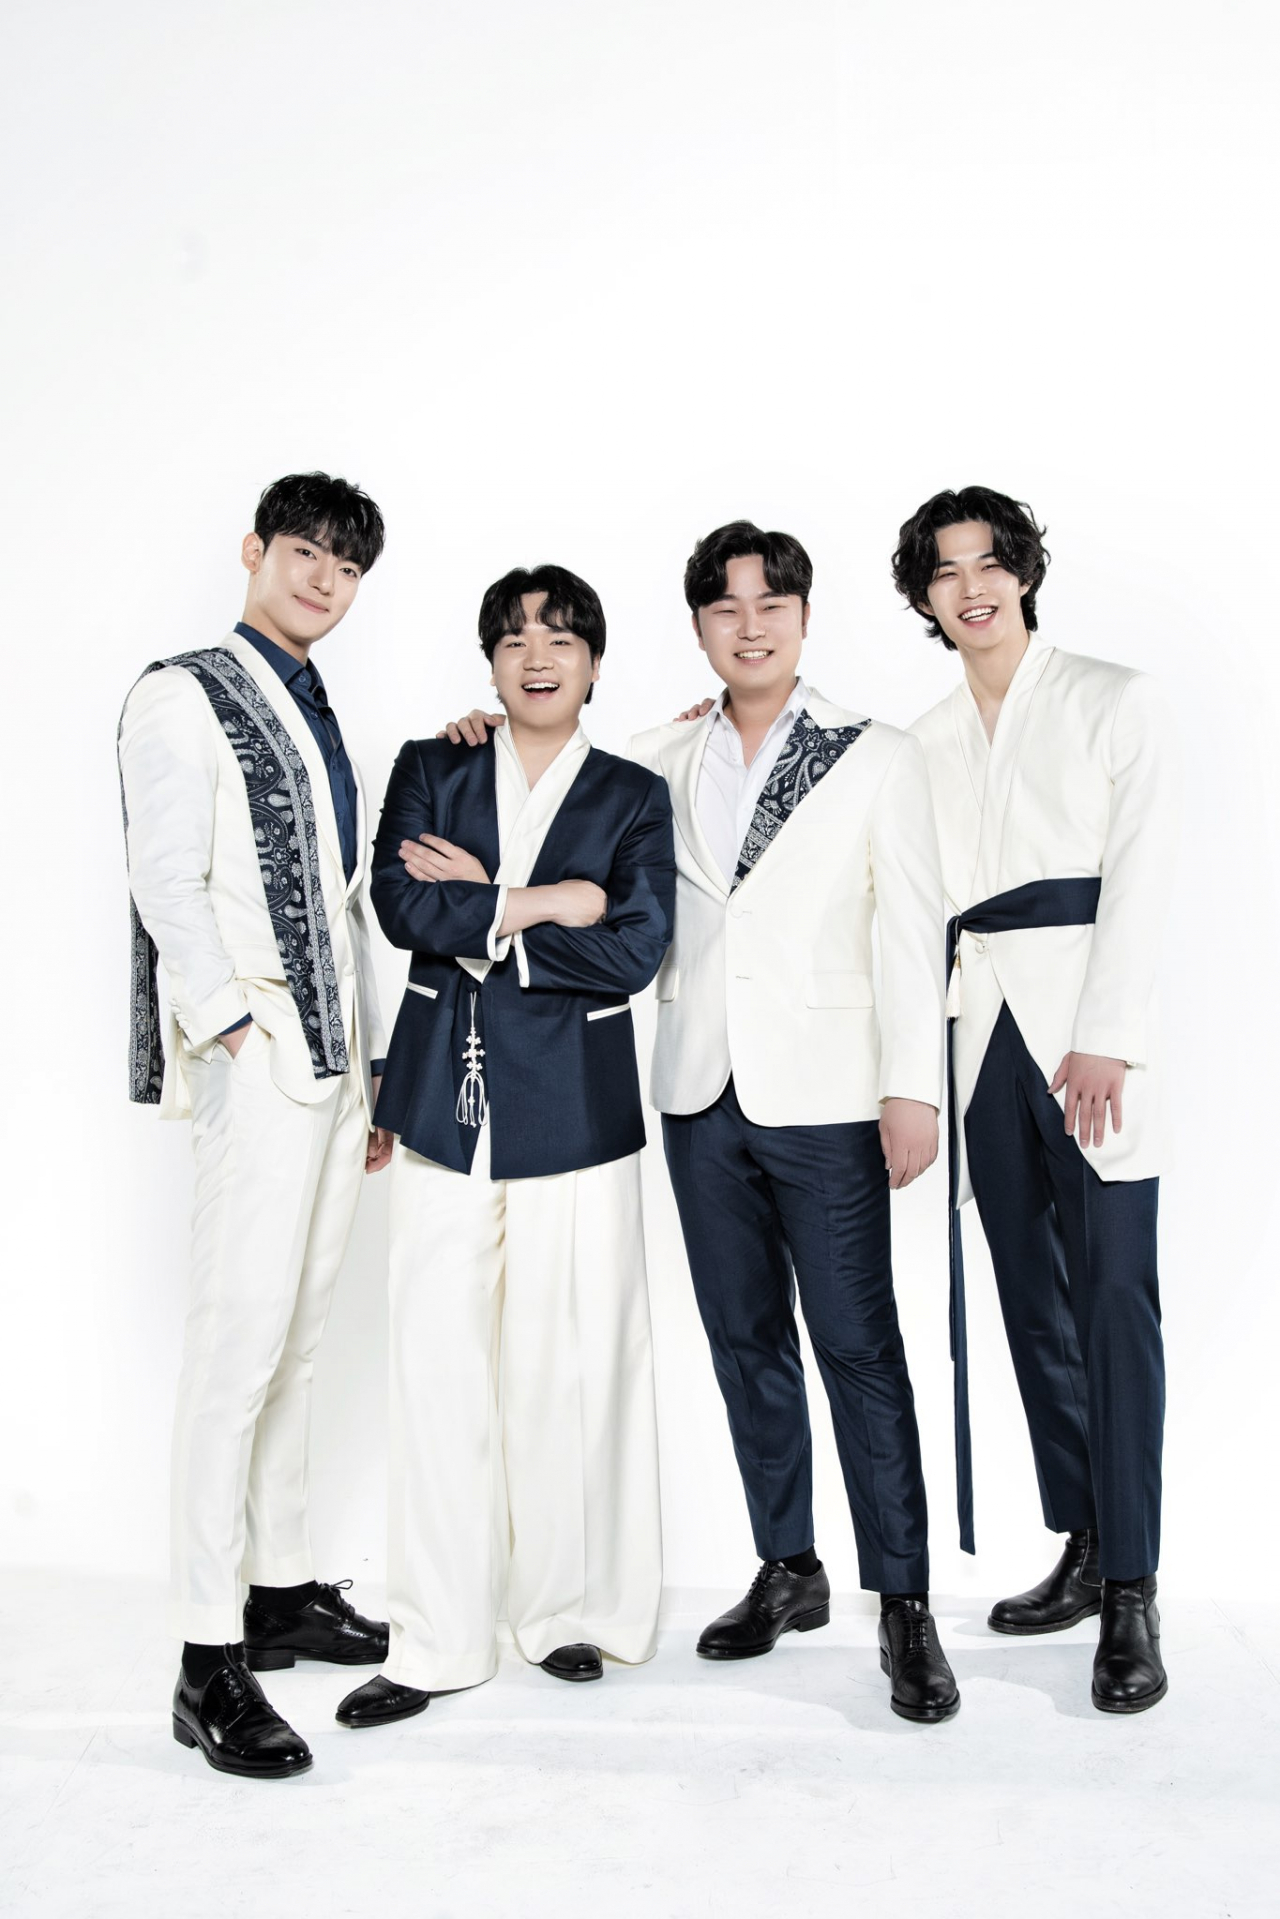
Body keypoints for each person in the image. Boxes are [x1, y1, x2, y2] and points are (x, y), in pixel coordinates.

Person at [442, 523, 959, 1724]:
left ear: (803, 616)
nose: (749, 625)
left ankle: (905, 1603)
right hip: (693, 1088)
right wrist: (481, 733)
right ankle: (787, 1567)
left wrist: (912, 1086)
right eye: (724, 608)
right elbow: (554, 785)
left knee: (857, 1347)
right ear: (697, 628)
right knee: (743, 1342)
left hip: (830, 1095)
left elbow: (907, 926)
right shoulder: (656, 756)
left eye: (771, 603)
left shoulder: (874, 755)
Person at [334, 564, 674, 1731]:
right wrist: (552, 898)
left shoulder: (630, 794)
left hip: (576, 1109)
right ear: (489, 661)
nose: (536, 656)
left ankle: (564, 1613)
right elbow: (401, 909)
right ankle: (434, 1637)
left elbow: (635, 949)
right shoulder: (431, 766)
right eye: (515, 638)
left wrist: (488, 899)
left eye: (561, 637)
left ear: (593, 662)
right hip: (442, 1098)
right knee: (434, 1373)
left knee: (570, 1368)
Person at [118, 472, 392, 1779]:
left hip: (334, 1069)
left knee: (298, 1340)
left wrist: (370, 1064)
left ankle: (278, 1591)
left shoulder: (313, 700)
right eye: (304, 554)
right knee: (234, 1351)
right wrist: (235, 1030)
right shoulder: (183, 693)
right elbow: (164, 881)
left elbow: (340, 897)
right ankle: (203, 1656)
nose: (323, 581)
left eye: (346, 566)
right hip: (263, 1057)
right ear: (254, 552)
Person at [894, 485, 1178, 1713]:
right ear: (923, 597)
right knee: (1032, 1307)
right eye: (944, 572)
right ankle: (1084, 1542)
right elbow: (907, 906)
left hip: (1087, 1041)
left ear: (1020, 571)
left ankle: (1134, 1592)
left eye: (987, 563)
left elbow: (1144, 874)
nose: (970, 588)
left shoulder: (1114, 697)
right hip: (981, 1044)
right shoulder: (918, 740)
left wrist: (1106, 1035)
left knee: (1113, 1303)